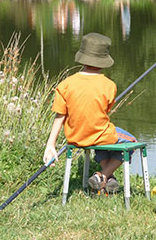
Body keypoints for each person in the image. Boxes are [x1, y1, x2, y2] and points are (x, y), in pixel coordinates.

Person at [43, 33, 137, 194]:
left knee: (105, 137)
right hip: (99, 134)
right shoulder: (109, 85)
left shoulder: (65, 84)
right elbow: (105, 111)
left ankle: (108, 179)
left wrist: (50, 145)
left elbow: (60, 116)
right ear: (103, 60)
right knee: (132, 142)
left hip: (76, 138)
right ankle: (103, 174)